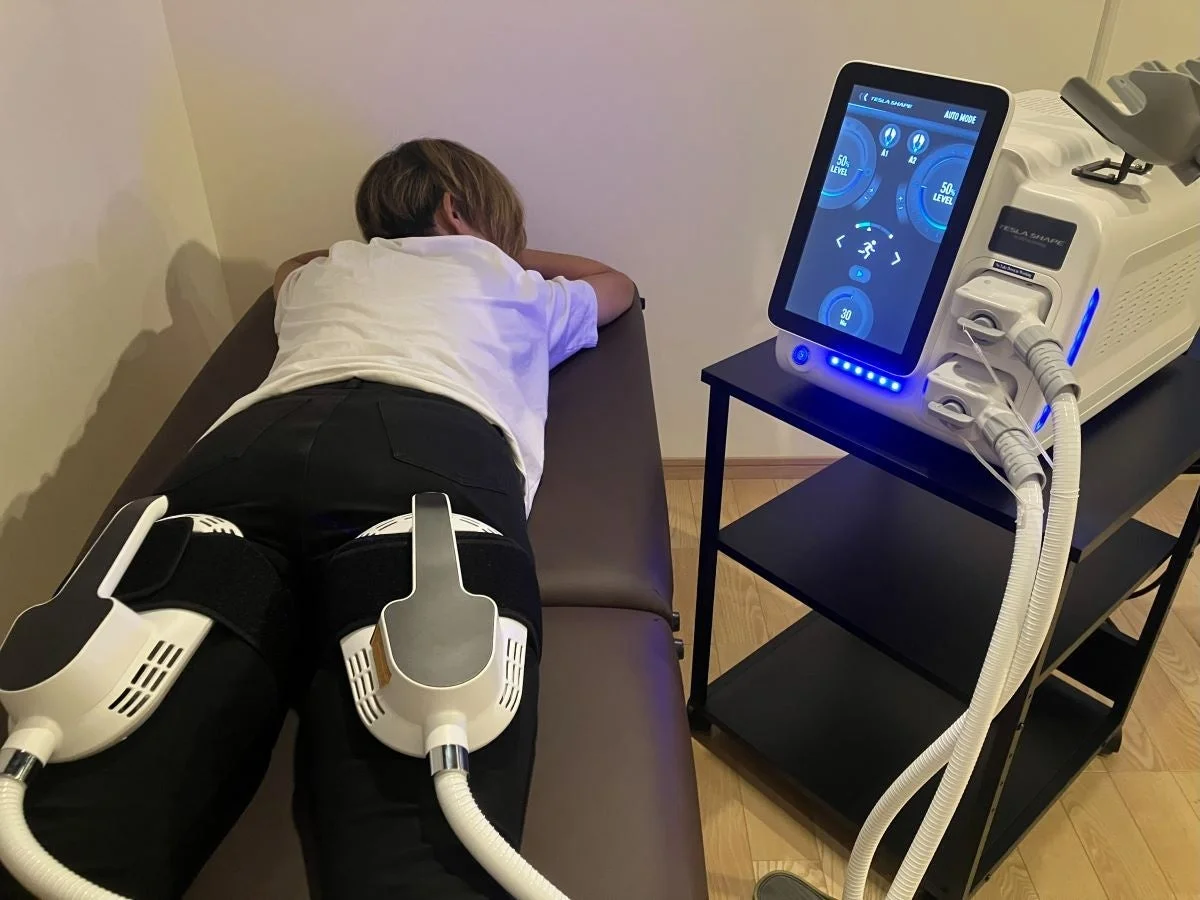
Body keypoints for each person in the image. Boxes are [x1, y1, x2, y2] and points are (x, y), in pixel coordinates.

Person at [3, 138, 635, 899]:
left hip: (241, 456)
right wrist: (493, 247)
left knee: (98, 765)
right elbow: (616, 285)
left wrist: (416, 237)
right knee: (426, 775)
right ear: (456, 209)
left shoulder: (318, 276)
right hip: (424, 461)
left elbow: (289, 264)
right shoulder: (511, 281)